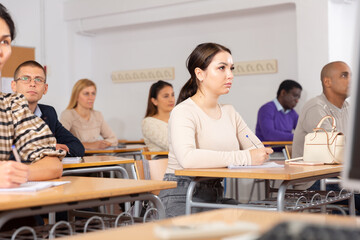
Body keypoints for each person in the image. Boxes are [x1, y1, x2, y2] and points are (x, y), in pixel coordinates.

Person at [159, 43, 273, 218]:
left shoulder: (230, 111)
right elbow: (188, 159)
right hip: (182, 195)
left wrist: (253, 155)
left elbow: (257, 148)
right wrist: (246, 157)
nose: (230, 75)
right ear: (200, 74)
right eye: (221, 68)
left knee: (263, 220)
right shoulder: (183, 111)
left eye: (231, 68)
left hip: (215, 195)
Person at [0, 3, 65, 188]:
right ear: (15, 84)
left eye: (5, 41)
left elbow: (53, 165)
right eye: (27, 79)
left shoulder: (12, 105)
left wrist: (18, 173)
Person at [11, 60, 85, 157]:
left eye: (38, 80)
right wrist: (48, 149)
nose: (33, 84)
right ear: (14, 86)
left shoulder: (48, 113)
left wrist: (62, 149)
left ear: (45, 89)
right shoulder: (4, 112)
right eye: (26, 78)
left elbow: (77, 146)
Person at [292, 61, 350, 158]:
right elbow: (333, 146)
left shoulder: (348, 107)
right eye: (344, 76)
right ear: (327, 82)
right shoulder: (315, 107)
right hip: (311, 171)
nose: (351, 80)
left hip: (339, 168)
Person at [60, 79, 117, 149]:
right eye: (86, 94)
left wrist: (102, 144)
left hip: (98, 157)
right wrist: (91, 145)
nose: (91, 98)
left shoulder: (97, 115)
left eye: (93, 93)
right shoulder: (68, 115)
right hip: (79, 158)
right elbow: (61, 141)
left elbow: (113, 139)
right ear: (76, 96)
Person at [142, 80, 175, 155]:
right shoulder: (148, 123)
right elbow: (169, 145)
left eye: (172, 95)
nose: (171, 100)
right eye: (166, 96)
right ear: (154, 101)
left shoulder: (177, 119)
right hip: (161, 163)